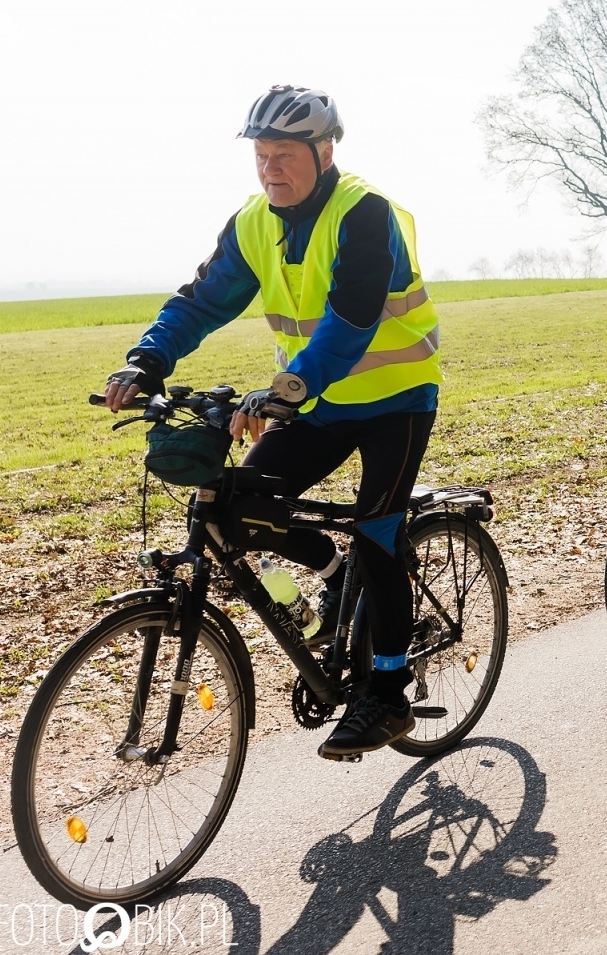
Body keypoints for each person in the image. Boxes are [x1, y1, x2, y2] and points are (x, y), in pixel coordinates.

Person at [104, 85, 442, 759]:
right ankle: (331, 570)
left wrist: (286, 388)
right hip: (314, 405)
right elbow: (201, 301)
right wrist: (148, 360)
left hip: (395, 400)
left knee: (378, 532)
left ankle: (387, 690)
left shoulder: (365, 213)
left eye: (284, 154)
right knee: (238, 509)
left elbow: (351, 320)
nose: (269, 169)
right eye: (261, 156)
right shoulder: (254, 222)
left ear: (324, 152)